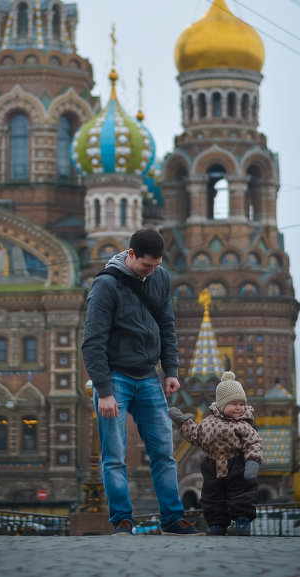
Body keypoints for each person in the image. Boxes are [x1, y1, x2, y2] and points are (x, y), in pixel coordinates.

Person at [82, 227, 203, 536]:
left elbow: (166, 323)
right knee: (114, 455)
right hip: (115, 378)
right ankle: (122, 520)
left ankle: (172, 519)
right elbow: (93, 343)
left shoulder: (159, 277)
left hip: (148, 376)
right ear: (131, 255)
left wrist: (171, 370)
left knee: (164, 452)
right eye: (146, 266)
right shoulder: (105, 285)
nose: (151, 272)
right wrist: (104, 391)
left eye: (157, 266)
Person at [169, 371, 263, 536]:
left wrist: (252, 461)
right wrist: (182, 421)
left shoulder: (244, 425)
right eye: (234, 404)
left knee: (241, 493)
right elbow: (195, 434)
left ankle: (242, 523)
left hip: (237, 464)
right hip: (212, 465)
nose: (239, 408)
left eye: (242, 404)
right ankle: (216, 525)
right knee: (212, 496)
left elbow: (253, 442)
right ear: (221, 404)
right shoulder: (208, 423)